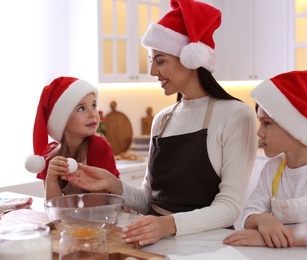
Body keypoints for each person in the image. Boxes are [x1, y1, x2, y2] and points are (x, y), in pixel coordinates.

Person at [65, 0, 258, 247]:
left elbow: (229, 207)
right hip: (154, 238)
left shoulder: (235, 115)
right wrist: (113, 184)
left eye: (160, 60)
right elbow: (149, 199)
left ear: (190, 58)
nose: (152, 71)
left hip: (206, 245)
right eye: (152, 60)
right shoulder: (163, 119)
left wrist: (166, 225)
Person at [223, 70, 307, 248]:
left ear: (295, 127)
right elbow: (248, 216)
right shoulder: (272, 169)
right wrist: (263, 219)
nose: (259, 132)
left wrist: (267, 238)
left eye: (267, 123)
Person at [24, 76, 120, 200]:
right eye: (81, 108)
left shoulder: (99, 148)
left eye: (93, 105)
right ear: (62, 121)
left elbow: (97, 208)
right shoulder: (49, 155)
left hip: (106, 216)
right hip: (72, 218)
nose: (92, 114)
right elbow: (53, 207)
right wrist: (51, 178)